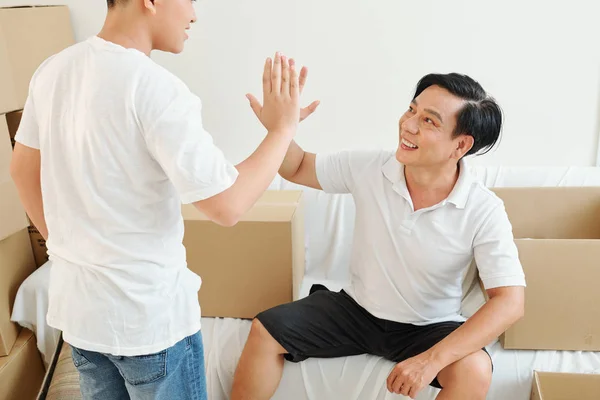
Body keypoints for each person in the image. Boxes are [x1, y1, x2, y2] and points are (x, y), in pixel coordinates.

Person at [9, 0, 318, 399]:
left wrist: (66, 247)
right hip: (148, 325)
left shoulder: (52, 71)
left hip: (80, 315)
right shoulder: (155, 88)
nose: (194, 14)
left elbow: (21, 171)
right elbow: (227, 204)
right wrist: (282, 129)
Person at [232, 73, 526, 400]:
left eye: (428, 121)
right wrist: (280, 129)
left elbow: (510, 302)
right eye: (411, 110)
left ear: (461, 144)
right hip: (356, 311)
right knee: (263, 331)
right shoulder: (371, 167)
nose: (409, 125)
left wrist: (431, 361)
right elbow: (297, 166)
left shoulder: (484, 208)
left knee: (475, 370)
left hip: (430, 326)